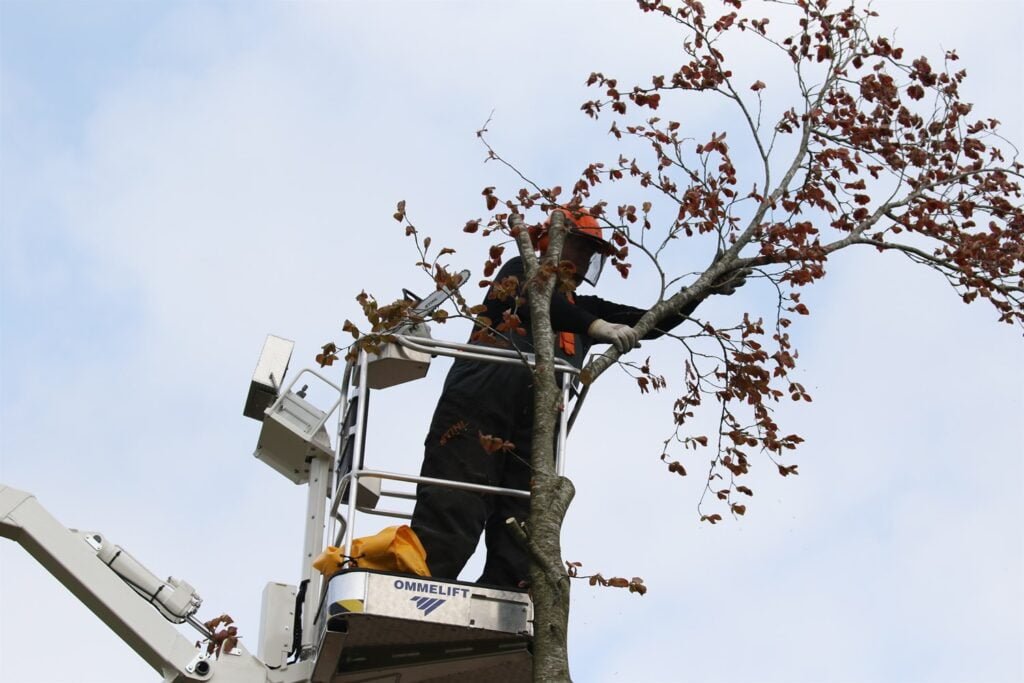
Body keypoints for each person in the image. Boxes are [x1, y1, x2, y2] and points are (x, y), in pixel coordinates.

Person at [410, 206, 741, 588]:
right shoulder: (518, 272)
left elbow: (655, 320)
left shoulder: (581, 308)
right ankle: (421, 587)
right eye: (581, 247)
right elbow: (539, 299)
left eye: (591, 253)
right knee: (457, 500)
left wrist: (705, 287)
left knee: (524, 520)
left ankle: (507, 594)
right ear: (552, 242)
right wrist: (595, 327)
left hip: (537, 422)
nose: (585, 260)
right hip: (478, 403)